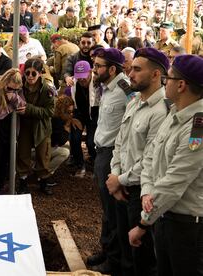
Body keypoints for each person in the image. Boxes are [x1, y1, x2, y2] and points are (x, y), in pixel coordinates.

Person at [129, 55, 203, 276]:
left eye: (168, 78)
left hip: (187, 227)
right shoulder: (174, 113)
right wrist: (147, 192)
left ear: (181, 85)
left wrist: (143, 224)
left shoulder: (197, 128)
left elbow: (175, 179)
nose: (164, 82)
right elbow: (151, 157)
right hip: (163, 216)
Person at [107, 48, 170, 276]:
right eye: (130, 68)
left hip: (140, 192)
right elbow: (120, 142)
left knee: (142, 258)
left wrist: (119, 179)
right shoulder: (134, 101)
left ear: (155, 75)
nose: (129, 74)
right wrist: (115, 176)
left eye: (136, 69)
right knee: (126, 250)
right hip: (122, 186)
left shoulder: (162, 110)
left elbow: (151, 160)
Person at [89, 47, 128, 274]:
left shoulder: (125, 90)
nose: (94, 70)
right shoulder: (108, 87)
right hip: (102, 152)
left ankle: (114, 261)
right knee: (106, 207)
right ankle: (106, 249)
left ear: (112, 69)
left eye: (98, 66)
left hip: (113, 155)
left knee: (114, 211)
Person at [17, 58, 55, 195]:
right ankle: (23, 182)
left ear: (40, 73)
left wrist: (29, 109)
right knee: (23, 154)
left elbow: (50, 112)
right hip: (24, 125)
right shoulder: (19, 85)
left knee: (43, 155)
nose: (30, 77)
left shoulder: (47, 89)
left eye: (34, 73)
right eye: (27, 73)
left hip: (42, 126)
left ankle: (43, 182)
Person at [68, 60, 99, 178]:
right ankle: (79, 164)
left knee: (92, 143)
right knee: (74, 138)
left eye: (84, 77)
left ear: (90, 72)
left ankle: (95, 163)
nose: (81, 80)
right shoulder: (73, 84)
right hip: (79, 113)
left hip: (94, 113)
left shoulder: (98, 83)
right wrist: (71, 118)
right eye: (79, 77)